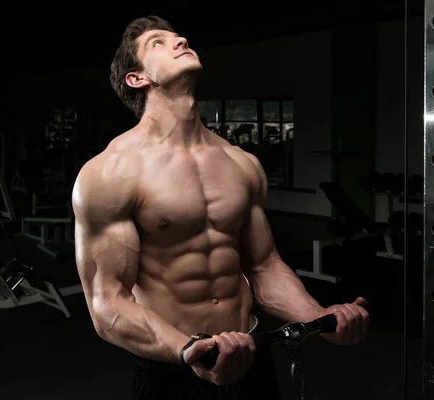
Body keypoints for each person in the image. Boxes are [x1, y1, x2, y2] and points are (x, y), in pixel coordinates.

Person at [72, 15, 370, 400]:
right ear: (137, 78)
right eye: (158, 43)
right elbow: (107, 302)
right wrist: (187, 350)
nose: (179, 40)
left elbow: (264, 267)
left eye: (178, 35)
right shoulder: (110, 172)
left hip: (251, 354)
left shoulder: (241, 163)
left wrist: (318, 317)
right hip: (173, 367)